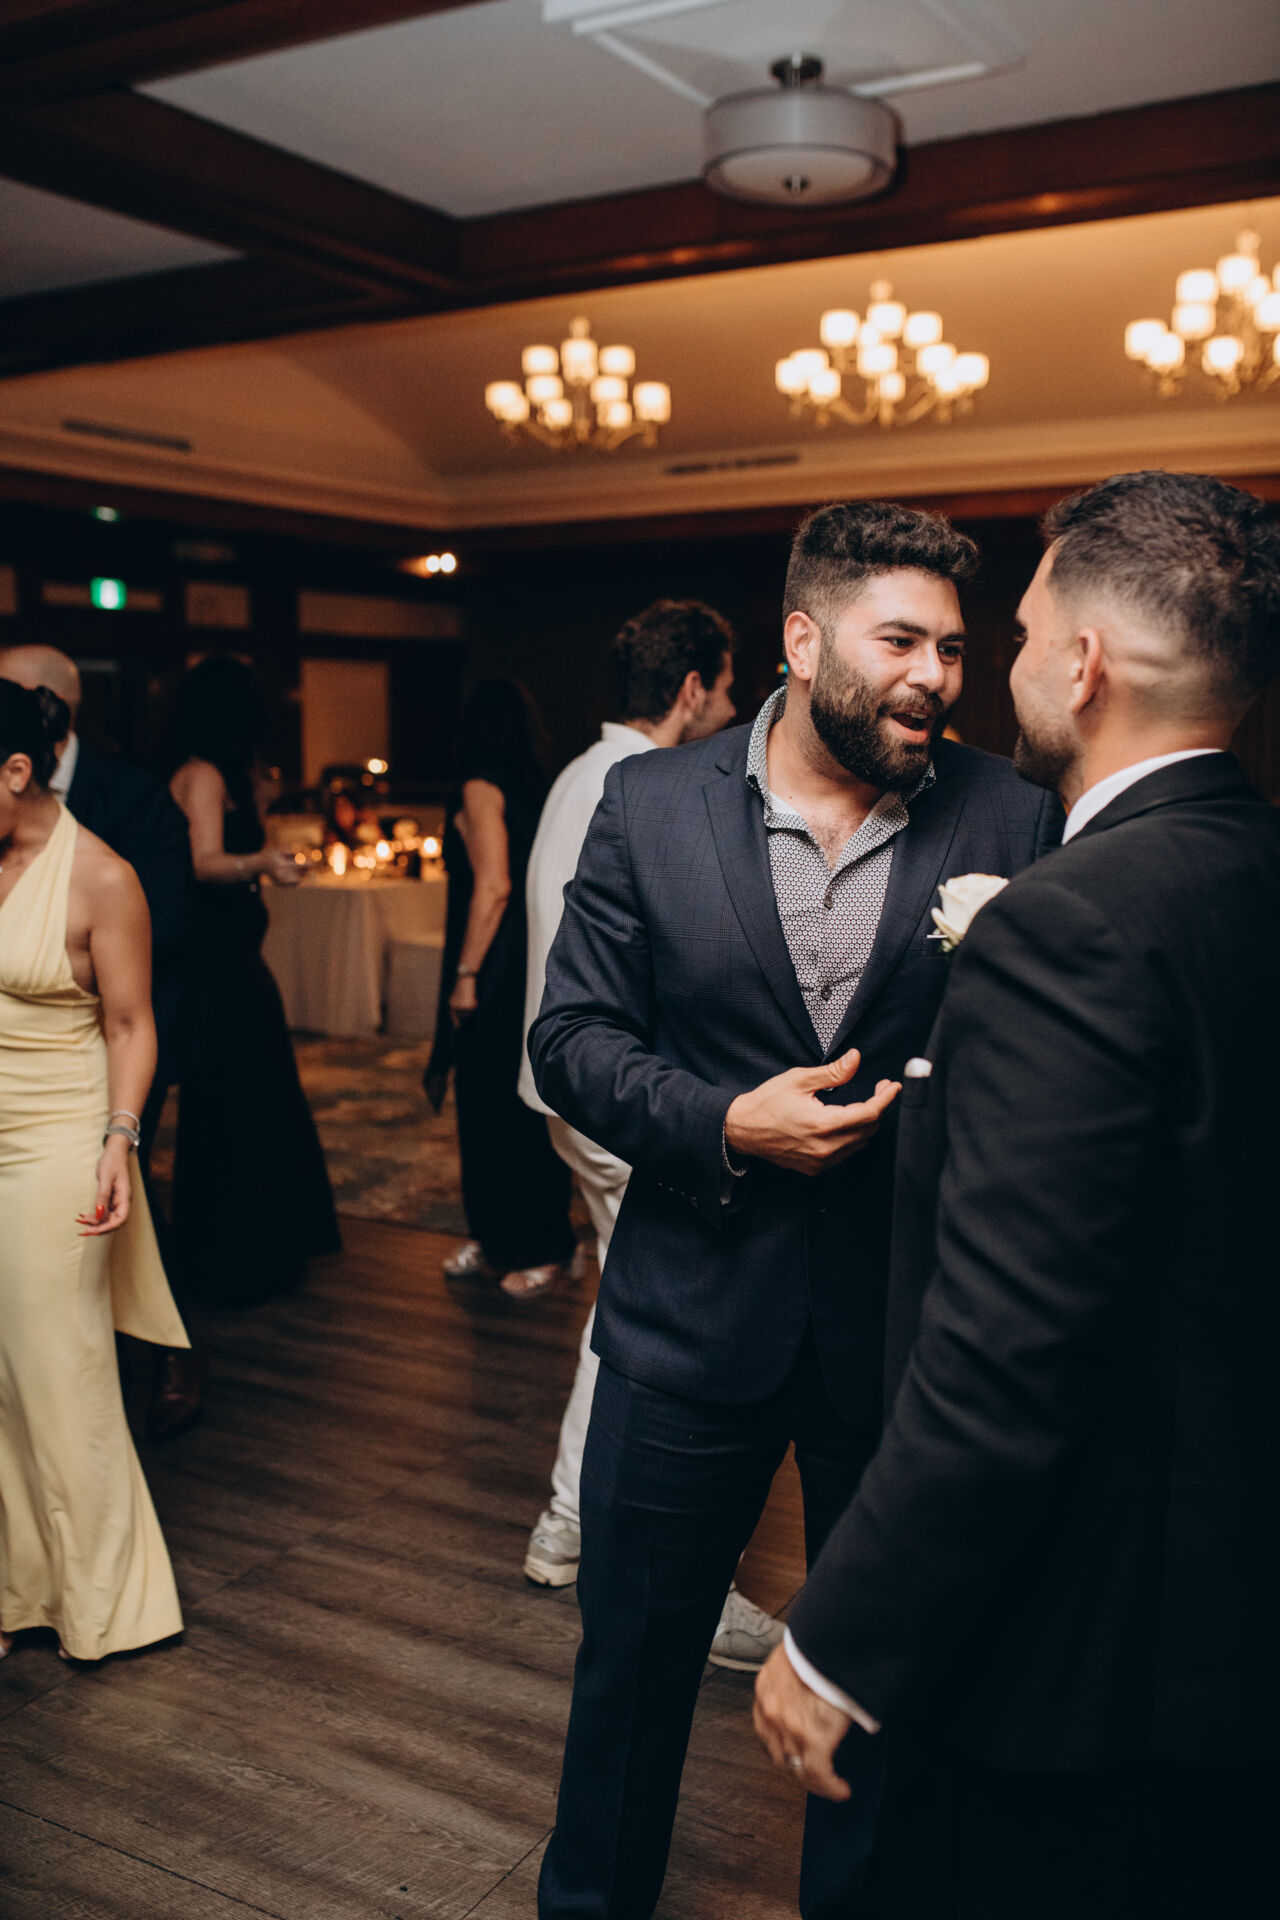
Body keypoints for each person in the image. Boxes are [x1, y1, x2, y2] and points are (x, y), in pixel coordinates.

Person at [755, 471, 1280, 1920]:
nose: (1000, 665)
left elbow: (1007, 1344)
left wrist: (840, 1633)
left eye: (1024, 633)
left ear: (1085, 666)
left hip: (1089, 1642)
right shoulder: (1251, 864)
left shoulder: (1070, 923)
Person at [530, 500, 1062, 1920]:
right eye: (900, 641)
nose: (934, 676)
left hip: (897, 1336)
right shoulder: (651, 804)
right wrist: (723, 1122)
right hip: (686, 1321)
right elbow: (569, 1040)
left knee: (880, 1692)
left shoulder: (1011, 814)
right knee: (631, 1677)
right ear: (803, 640)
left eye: (953, 648)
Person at [516, 601, 778, 1662]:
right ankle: (679, 1581)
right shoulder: (647, 791)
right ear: (691, 689)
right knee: (671, 1338)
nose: (733, 708)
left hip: (575, 1101)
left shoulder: (577, 777)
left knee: (619, 1309)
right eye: (727, 687)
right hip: (628, 1102)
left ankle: (566, 1524)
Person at [0, 679, 188, 1663]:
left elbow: (131, 1023)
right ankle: (19, 1591)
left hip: (59, 1140)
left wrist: (120, 1140)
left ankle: (108, 1604)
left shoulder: (102, 876)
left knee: (59, 1370)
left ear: (16, 771)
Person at [169, 656, 340, 1307]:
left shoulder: (225, 774)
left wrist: (260, 809)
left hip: (237, 948)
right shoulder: (202, 773)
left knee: (258, 1093)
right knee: (240, 1094)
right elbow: (201, 862)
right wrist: (262, 861)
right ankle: (236, 1251)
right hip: (219, 958)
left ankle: (267, 1239)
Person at [428, 678, 578, 1300]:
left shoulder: (479, 787)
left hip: (493, 963)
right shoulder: (533, 786)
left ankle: (540, 1245)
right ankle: (498, 1236)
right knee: (509, 1101)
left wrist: (466, 976)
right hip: (526, 953)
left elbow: (492, 887)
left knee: (492, 1106)